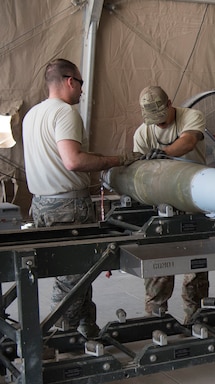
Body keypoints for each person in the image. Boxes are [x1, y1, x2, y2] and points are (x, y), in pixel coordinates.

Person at [22, 58, 139, 338]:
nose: (82, 91)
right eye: (81, 84)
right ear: (70, 81)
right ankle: (54, 339)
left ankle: (87, 330)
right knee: (73, 277)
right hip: (68, 205)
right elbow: (73, 161)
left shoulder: (32, 115)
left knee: (82, 269)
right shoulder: (64, 113)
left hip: (41, 204)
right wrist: (115, 160)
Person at [133, 85, 209, 323]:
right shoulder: (142, 133)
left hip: (194, 204)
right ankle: (155, 320)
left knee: (196, 266)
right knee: (159, 265)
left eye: (162, 117)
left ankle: (195, 317)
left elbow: (188, 142)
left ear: (169, 104)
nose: (159, 124)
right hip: (161, 207)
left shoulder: (191, 117)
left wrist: (163, 153)